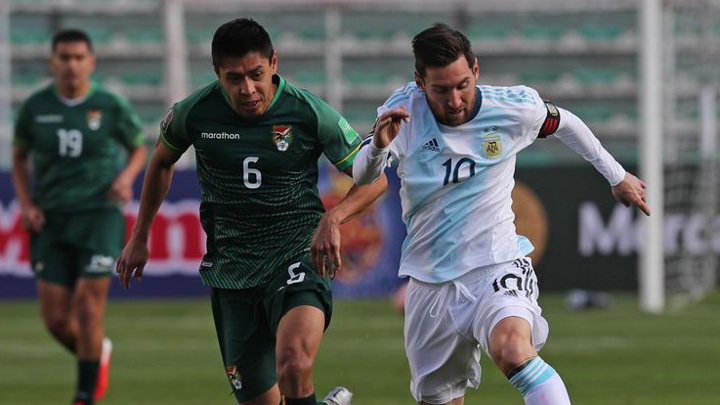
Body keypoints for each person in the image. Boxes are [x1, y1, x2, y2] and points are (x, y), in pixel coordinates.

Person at [353, 23, 650, 405]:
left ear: (475, 70)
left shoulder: (512, 108)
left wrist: (617, 176)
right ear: (421, 82)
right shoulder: (403, 111)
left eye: (463, 85)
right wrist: (378, 146)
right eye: (441, 90)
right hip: (430, 283)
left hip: (495, 264)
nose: (455, 100)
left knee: (512, 349)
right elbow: (362, 175)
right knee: (440, 399)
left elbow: (566, 123)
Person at [115, 18, 386, 405]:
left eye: (256, 74)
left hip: (296, 256)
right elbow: (160, 161)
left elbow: (375, 180)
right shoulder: (195, 112)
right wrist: (141, 235)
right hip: (233, 270)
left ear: (274, 63)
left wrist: (333, 217)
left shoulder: (309, 112)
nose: (247, 89)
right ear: (217, 73)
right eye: (234, 78)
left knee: (294, 363)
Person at [11, 29, 147, 405]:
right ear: (53, 62)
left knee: (88, 307)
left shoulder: (110, 104)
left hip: (98, 216)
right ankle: (98, 352)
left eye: (78, 57)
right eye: (64, 57)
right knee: (56, 321)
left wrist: (126, 177)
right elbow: (19, 155)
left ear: (91, 62)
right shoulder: (35, 107)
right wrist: (26, 203)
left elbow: (138, 147)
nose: (71, 65)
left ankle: (84, 396)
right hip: (51, 218)